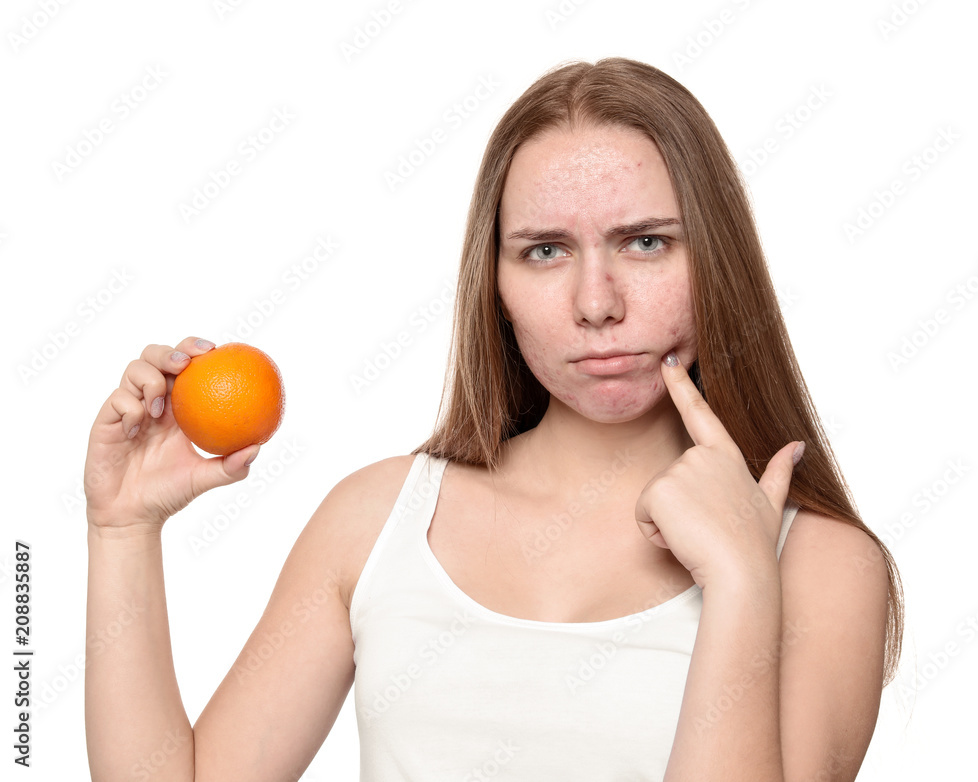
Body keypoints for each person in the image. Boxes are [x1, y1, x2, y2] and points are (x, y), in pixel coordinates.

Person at [85, 57, 902, 781]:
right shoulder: (378, 521)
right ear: (497, 286)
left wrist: (742, 581)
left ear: (716, 262)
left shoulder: (821, 565)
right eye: (545, 250)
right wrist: (122, 531)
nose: (596, 304)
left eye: (646, 243)